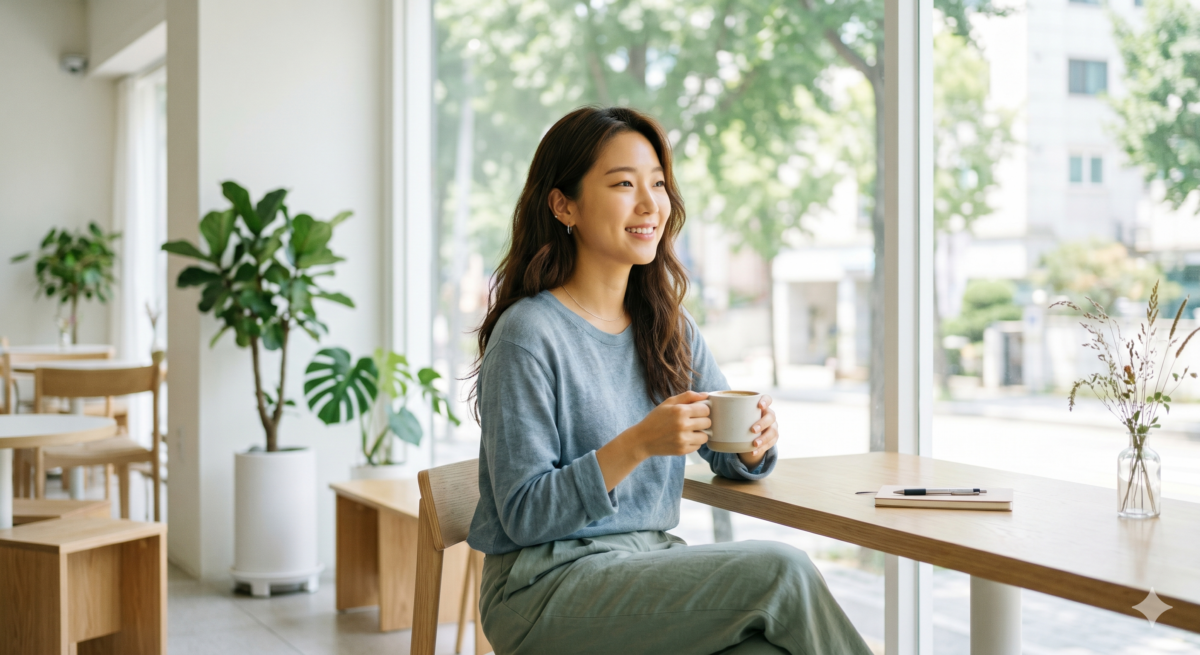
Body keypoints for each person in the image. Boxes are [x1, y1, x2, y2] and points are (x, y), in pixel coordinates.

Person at [466, 106, 872, 655]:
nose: (649, 204)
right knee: (783, 571)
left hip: (646, 563)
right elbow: (522, 514)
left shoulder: (667, 325)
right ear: (564, 205)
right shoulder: (528, 334)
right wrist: (638, 444)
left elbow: (725, 454)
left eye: (657, 184)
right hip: (542, 588)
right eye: (623, 184)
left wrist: (753, 447)